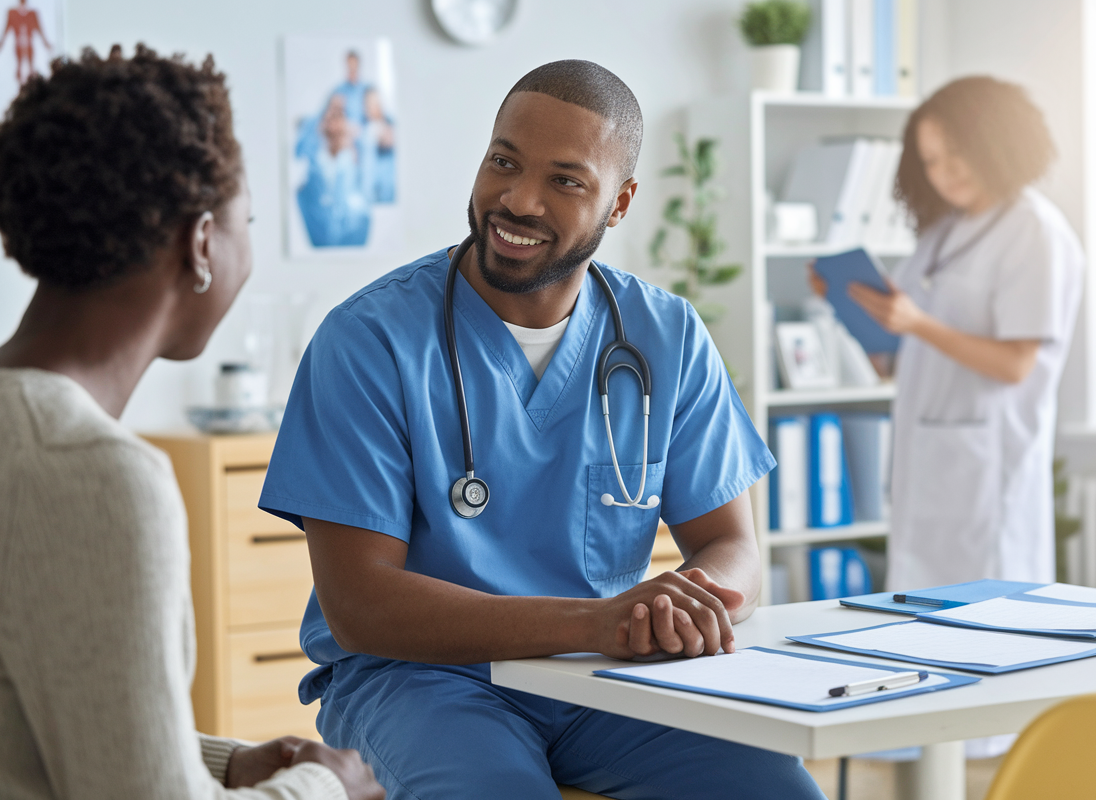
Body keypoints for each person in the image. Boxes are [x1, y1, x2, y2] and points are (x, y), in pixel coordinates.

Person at [259, 60, 825, 800]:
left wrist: (684, 602)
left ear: (619, 204)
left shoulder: (667, 337)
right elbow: (360, 605)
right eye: (503, 161)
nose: (517, 199)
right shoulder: (370, 341)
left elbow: (733, 545)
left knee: (775, 789)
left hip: (602, 684)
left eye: (565, 180)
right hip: (420, 683)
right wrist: (596, 623)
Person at [0, 44, 384, 800]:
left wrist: (222, 764)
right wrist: (326, 786)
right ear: (200, 243)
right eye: (246, 221)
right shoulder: (91, 473)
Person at [813, 79, 1083, 614]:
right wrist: (854, 310)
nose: (945, 173)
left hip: (987, 469)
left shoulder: (1035, 230)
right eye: (931, 160)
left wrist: (915, 322)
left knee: (995, 624)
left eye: (957, 154)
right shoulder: (941, 233)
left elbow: (1015, 364)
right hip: (928, 466)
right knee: (921, 623)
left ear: (997, 142)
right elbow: (902, 359)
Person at [296, 92, 371, 247]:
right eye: (331, 113)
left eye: (341, 114)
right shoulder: (311, 164)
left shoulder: (357, 162)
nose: (335, 123)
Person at [0, 0, 49, 85]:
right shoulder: (13, 13)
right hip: (18, 45)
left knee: (31, 68)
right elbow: (6, 28)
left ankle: (32, 88)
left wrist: (46, 43)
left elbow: (39, 29)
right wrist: (1, 42)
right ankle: (20, 87)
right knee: (19, 67)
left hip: (29, 45)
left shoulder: (32, 14)